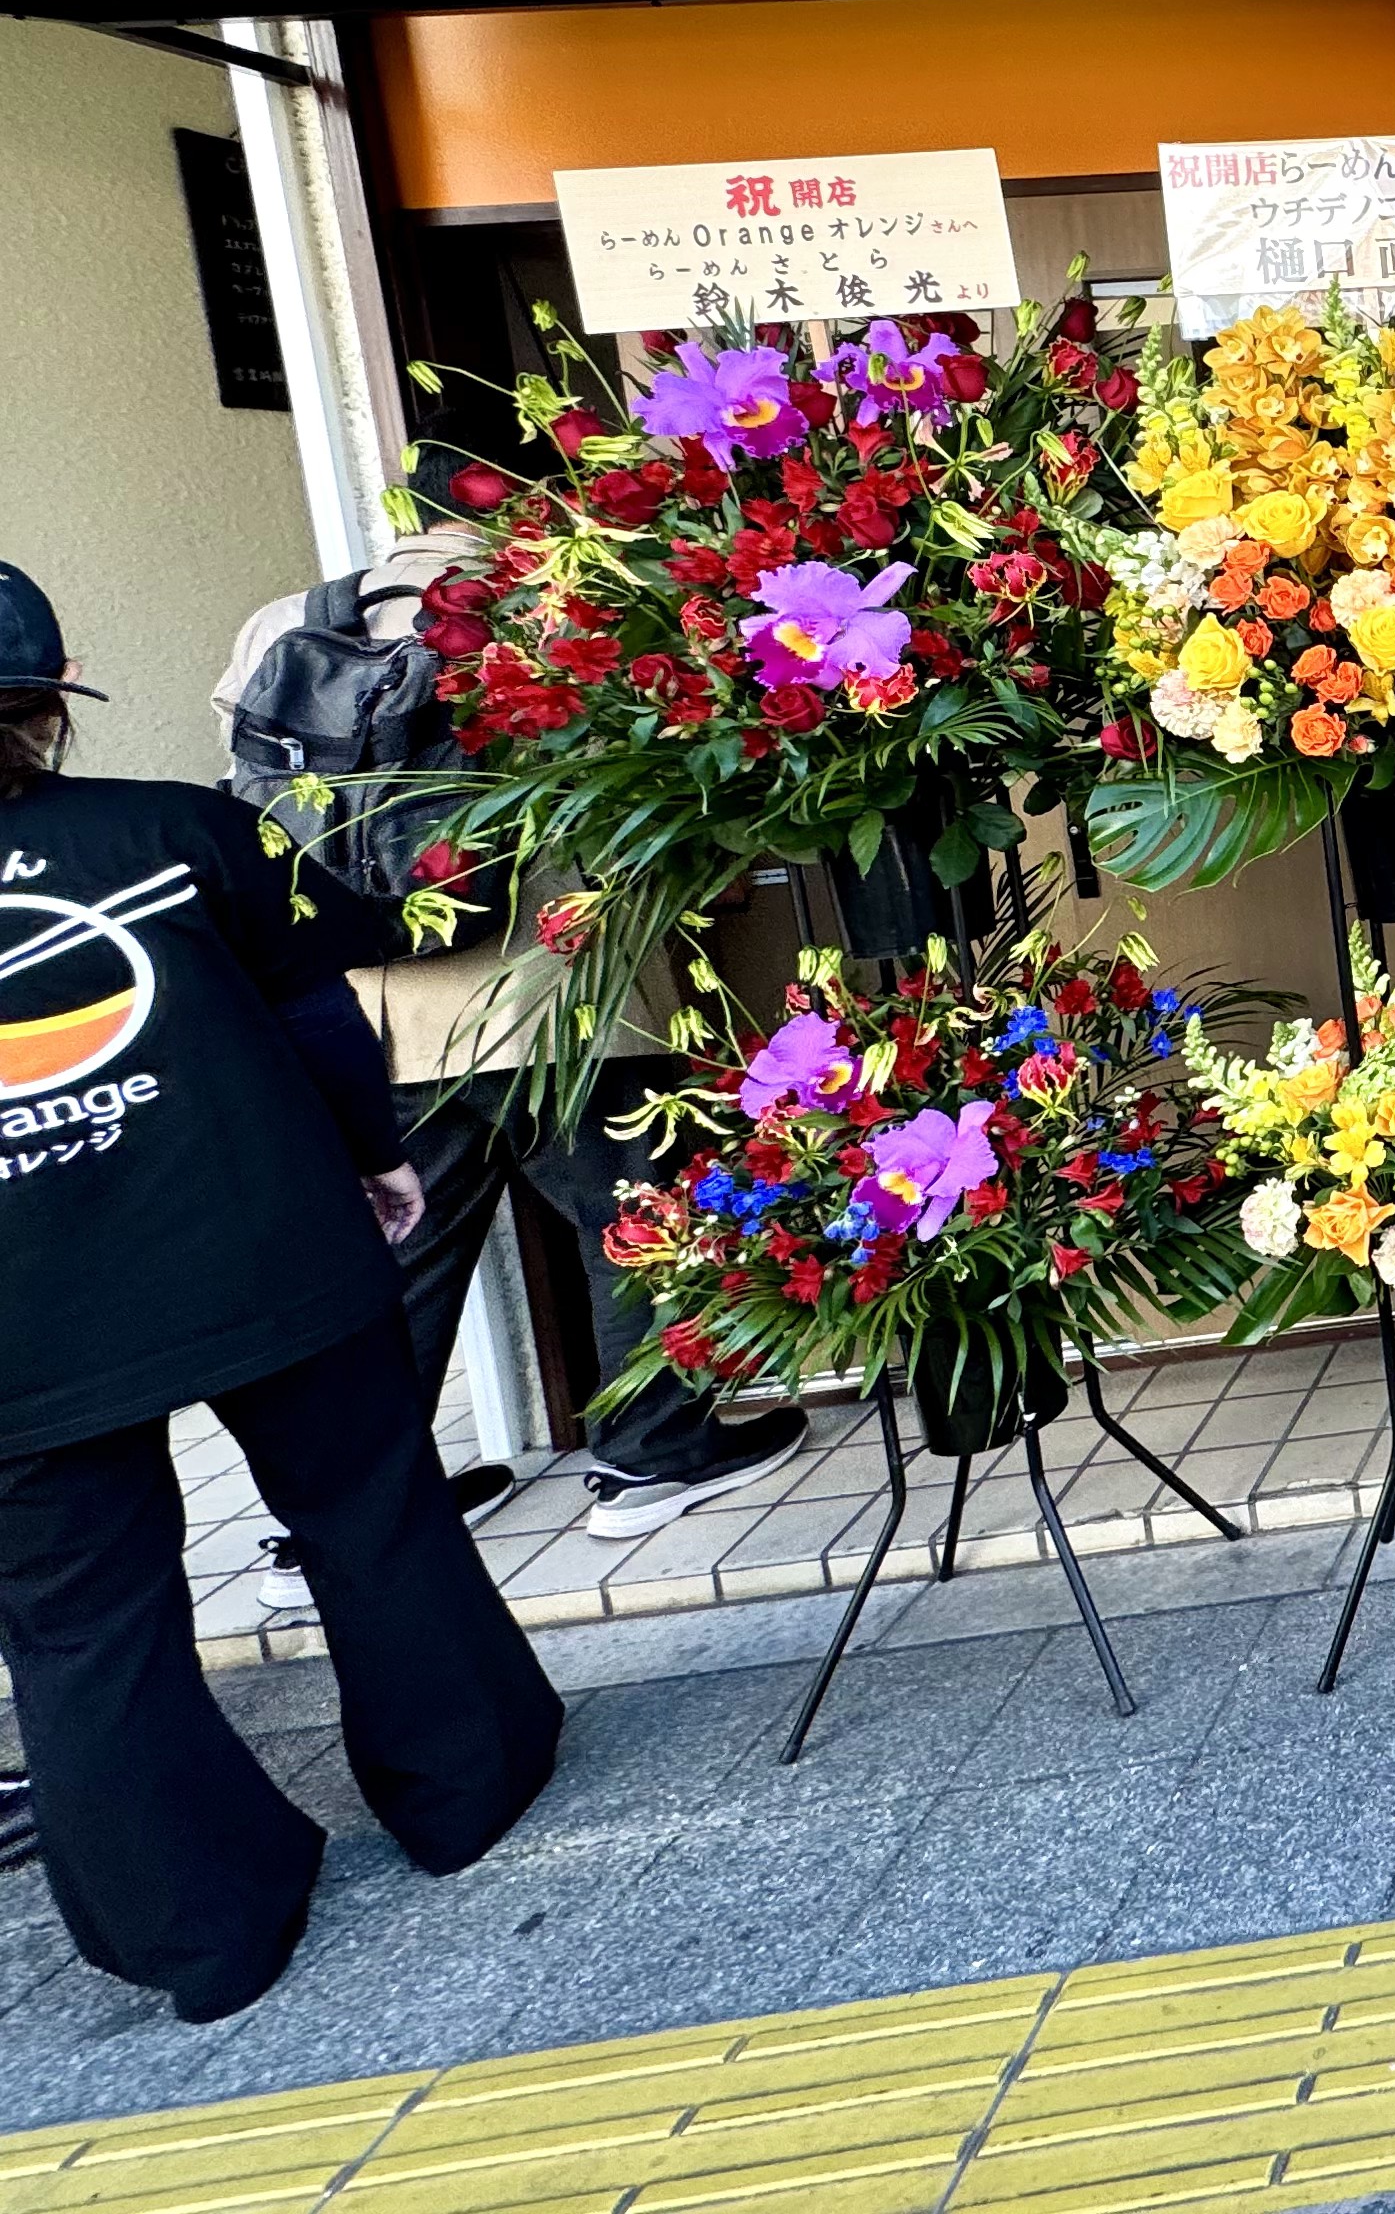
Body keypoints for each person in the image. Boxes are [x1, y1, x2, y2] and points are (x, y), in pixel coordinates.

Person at [0, 559, 560, 2020]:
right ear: (46, 708)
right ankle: (465, 1796)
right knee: (369, 1510)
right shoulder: (179, 830)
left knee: (80, 1623)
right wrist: (378, 1162)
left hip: (17, 1331)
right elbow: (320, 1005)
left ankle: (206, 1939)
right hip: (255, 1241)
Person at [214, 450, 803, 1600]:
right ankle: (651, 1457)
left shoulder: (288, 624)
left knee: (405, 1258)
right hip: (562, 991)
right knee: (632, 1220)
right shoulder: (576, 607)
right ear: (536, 510)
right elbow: (683, 788)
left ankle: (340, 1513)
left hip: (379, 1012)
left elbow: (253, 794)